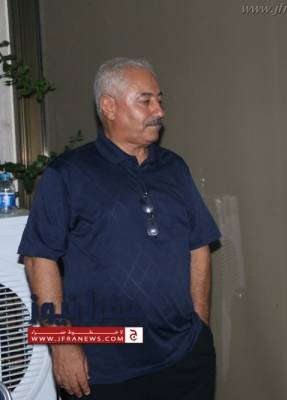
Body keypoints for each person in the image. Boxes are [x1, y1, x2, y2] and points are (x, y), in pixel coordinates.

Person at [19, 57, 221, 399]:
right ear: (109, 107)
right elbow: (39, 260)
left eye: (159, 100)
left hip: (184, 358)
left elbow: (198, 245)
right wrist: (62, 344)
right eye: (146, 101)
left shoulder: (174, 168)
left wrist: (200, 326)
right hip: (102, 370)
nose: (159, 111)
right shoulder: (67, 174)